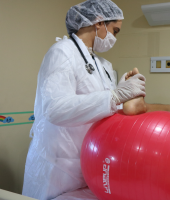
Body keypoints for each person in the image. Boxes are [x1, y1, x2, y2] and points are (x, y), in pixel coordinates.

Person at [22, 1, 147, 199]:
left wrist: (121, 93)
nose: (115, 37)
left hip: (89, 162)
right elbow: (55, 109)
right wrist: (115, 96)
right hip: (58, 165)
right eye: (115, 30)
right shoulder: (62, 52)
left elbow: (99, 107)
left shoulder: (102, 65)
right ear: (99, 22)